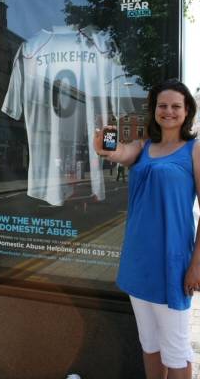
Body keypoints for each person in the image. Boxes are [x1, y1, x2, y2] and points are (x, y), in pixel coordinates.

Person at [94, 79, 200, 379]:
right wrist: (106, 143)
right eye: (162, 105)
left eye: (176, 106)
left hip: (173, 263)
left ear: (186, 110)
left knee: (176, 352)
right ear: (154, 110)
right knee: (150, 344)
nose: (168, 111)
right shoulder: (144, 146)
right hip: (137, 261)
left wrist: (196, 265)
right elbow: (116, 153)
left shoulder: (194, 149)